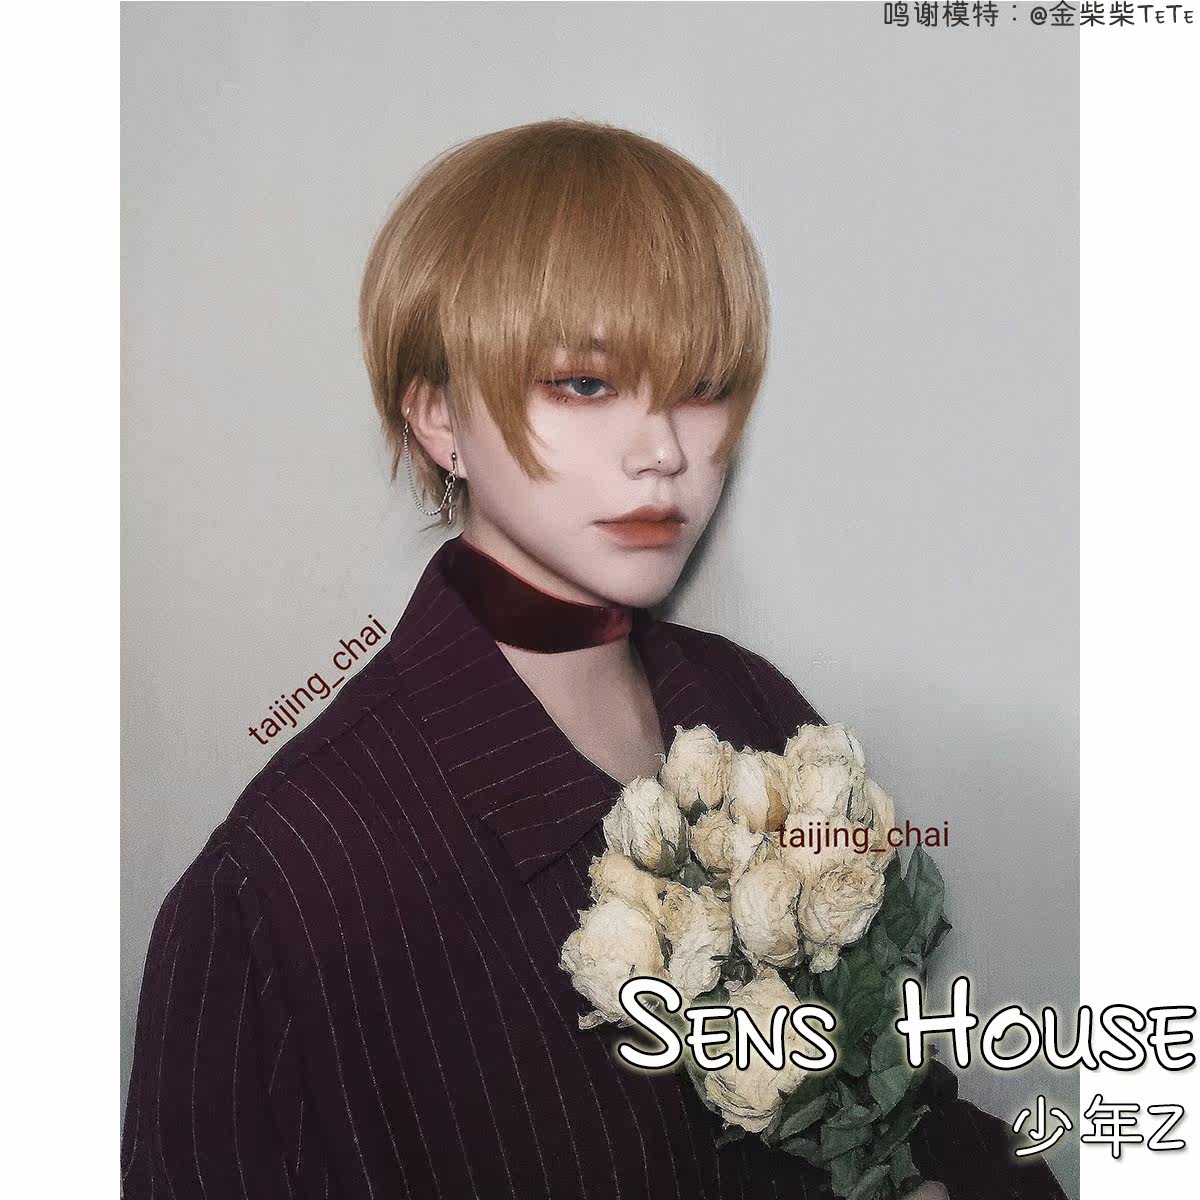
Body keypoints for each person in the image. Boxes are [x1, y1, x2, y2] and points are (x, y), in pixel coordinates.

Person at [121, 119, 1067, 1199]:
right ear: (438, 416)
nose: (663, 450)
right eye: (584, 384)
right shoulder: (280, 893)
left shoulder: (755, 711)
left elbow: (910, 1107)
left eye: (701, 384)